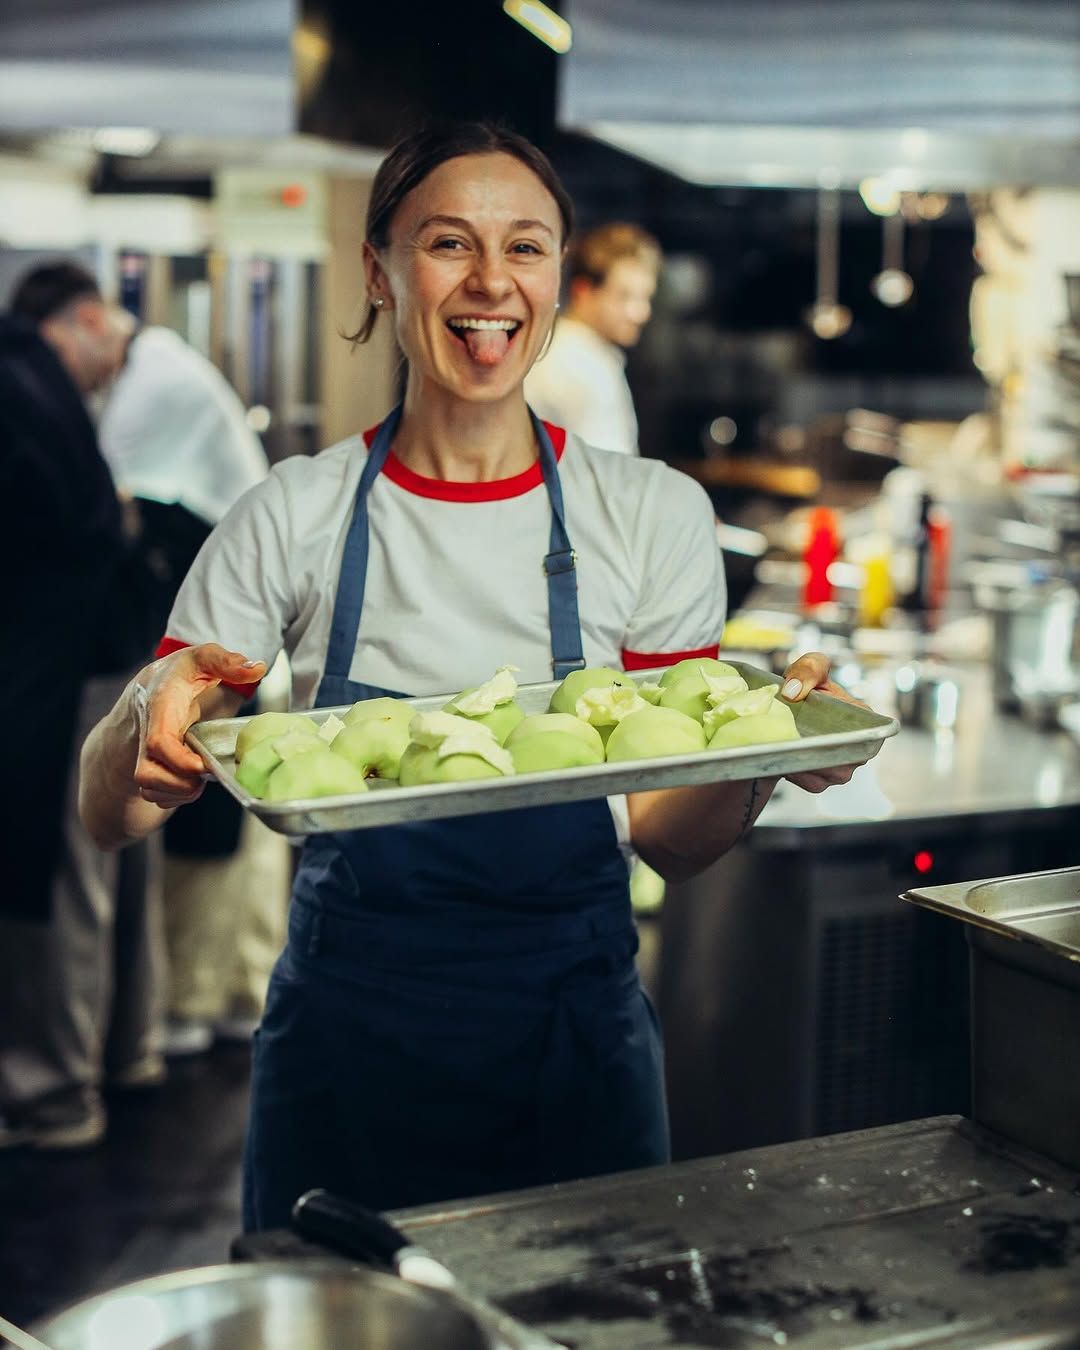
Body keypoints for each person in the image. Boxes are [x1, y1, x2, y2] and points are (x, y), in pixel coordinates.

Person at [79, 122, 865, 1228]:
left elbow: (667, 839)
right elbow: (106, 813)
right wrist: (133, 729)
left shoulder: (649, 515)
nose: (492, 282)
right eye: (448, 243)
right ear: (380, 269)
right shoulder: (293, 514)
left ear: (556, 275)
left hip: (571, 1031)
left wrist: (757, 753)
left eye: (528, 248)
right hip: (349, 1034)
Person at [0, 263, 175, 1149]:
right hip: (108, 660)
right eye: (109, 330)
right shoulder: (32, 384)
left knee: (70, 878)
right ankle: (126, 1052)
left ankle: (55, 1096)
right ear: (75, 320)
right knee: (114, 865)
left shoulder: (21, 381)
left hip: (61, 667)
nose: (118, 351)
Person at [97, 321, 288, 1056]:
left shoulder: (151, 380)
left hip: (224, 629)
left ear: (93, 323)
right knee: (242, 815)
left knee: (209, 820)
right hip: (237, 622)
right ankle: (238, 993)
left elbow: (102, 491)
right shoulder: (163, 370)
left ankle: (192, 1003)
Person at [524, 221, 660, 455]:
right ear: (583, 291)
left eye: (645, 297)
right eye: (624, 297)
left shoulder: (566, 349)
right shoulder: (580, 365)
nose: (640, 313)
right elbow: (609, 478)